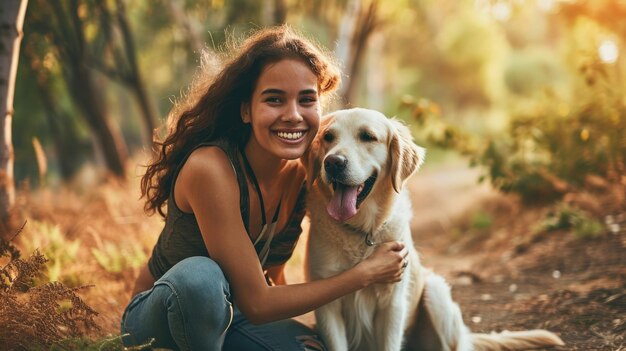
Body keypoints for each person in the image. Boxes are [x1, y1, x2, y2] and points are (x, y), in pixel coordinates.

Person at [120, 25, 409, 351]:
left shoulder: (305, 177)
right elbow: (259, 301)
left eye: (306, 100)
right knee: (201, 279)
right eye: (274, 100)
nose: (293, 115)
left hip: (235, 317)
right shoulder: (211, 168)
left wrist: (290, 334)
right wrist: (364, 274)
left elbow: (271, 278)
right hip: (158, 320)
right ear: (246, 109)